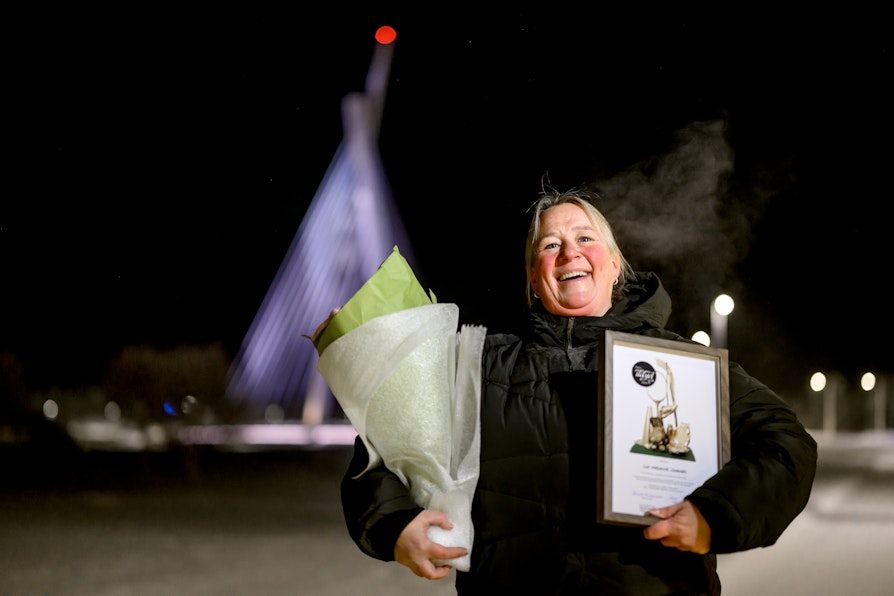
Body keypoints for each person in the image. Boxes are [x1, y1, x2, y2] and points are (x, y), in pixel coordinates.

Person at [324, 187, 817, 595]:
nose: (569, 252)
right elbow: (383, 449)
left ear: (614, 265)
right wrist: (395, 527)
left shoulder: (677, 363)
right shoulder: (476, 366)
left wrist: (716, 515)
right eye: (549, 245)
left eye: (585, 238)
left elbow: (786, 443)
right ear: (534, 280)